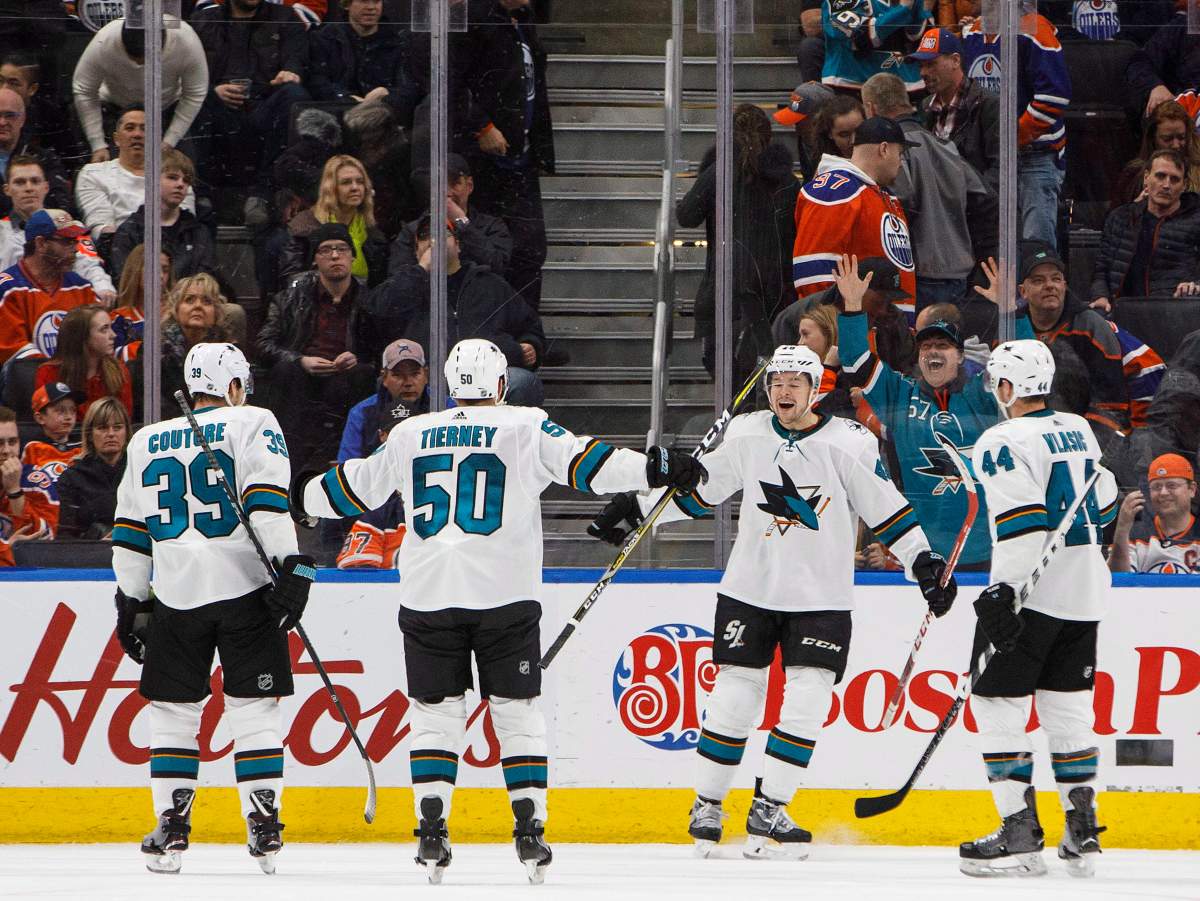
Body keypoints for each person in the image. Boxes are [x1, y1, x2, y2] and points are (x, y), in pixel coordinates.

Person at [291, 337, 705, 884]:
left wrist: (302, 494)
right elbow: (590, 465)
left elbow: (356, 488)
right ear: (502, 385)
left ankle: (431, 826)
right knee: (517, 713)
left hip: (427, 595)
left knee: (436, 714)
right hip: (504, 597)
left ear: (447, 385)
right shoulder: (526, 424)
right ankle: (529, 827)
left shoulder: (412, 431)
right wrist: (654, 468)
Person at [588, 343, 956, 859]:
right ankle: (708, 805)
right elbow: (699, 492)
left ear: (816, 389)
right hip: (750, 589)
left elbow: (887, 509)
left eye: (795, 383)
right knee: (736, 695)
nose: (784, 391)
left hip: (821, 596)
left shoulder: (849, 443)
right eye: (777, 382)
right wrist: (637, 508)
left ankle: (770, 807)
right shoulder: (747, 434)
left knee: (807, 700)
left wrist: (923, 562)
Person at [112, 342, 314, 875]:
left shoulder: (145, 439)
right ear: (232, 386)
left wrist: (133, 600)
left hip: (176, 596)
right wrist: (293, 566)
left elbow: (130, 536)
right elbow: (267, 504)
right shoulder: (253, 420)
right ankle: (264, 823)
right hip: (246, 591)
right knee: (254, 711)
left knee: (173, 716)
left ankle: (171, 827)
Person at [960, 339, 1117, 878]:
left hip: (1033, 596)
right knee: (1068, 709)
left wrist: (1004, 591)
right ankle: (1081, 829)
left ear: (1007, 388)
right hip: (1086, 589)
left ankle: (1019, 834)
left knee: (998, 707)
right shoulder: (1080, 429)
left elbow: (1024, 522)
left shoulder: (1000, 438)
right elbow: (1109, 499)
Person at [836, 254, 997, 570]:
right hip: (922, 551)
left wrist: (1011, 313)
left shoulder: (981, 394)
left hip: (985, 552)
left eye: (943, 345)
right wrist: (853, 309)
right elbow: (855, 362)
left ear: (961, 356)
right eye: (926, 346)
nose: (933, 351)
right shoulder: (900, 393)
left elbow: (1022, 367)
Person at [677, 103, 800, 384]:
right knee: (765, 367)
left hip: (724, 286)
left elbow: (686, 215)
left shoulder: (720, 172)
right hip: (771, 290)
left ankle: (734, 420)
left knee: (720, 364)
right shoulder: (785, 180)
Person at [368, 215, 546, 407]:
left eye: (443, 234)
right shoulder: (405, 285)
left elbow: (530, 325)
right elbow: (379, 309)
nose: (434, 241)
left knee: (523, 382)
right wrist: (421, 269)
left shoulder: (490, 284)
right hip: (427, 381)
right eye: (426, 236)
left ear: (459, 245)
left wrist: (531, 344)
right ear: (416, 249)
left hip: (484, 381)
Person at [861, 71, 995, 311]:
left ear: (870, 109)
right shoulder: (948, 147)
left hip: (919, 274)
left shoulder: (892, 151)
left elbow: (899, 204)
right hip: (958, 273)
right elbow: (986, 200)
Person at [258, 223, 379, 473]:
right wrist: (299, 360)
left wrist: (357, 358)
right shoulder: (290, 298)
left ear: (353, 256)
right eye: (326, 250)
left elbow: (381, 350)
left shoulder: (370, 299)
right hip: (301, 378)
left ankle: (351, 469)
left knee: (362, 375)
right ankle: (285, 470)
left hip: (348, 379)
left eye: (342, 249)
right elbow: (263, 344)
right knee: (286, 372)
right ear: (315, 259)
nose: (335, 256)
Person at [458, 0, 553, 311]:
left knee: (530, 250)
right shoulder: (474, 19)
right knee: (483, 251)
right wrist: (481, 125)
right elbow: (451, 81)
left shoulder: (524, 23)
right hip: (482, 163)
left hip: (521, 161)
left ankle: (527, 338)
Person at [961, 1, 1072, 246]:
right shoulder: (972, 33)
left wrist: (1012, 137)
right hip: (991, 159)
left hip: (1036, 156)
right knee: (992, 241)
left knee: (1036, 244)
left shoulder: (1036, 31)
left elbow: (1054, 97)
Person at [191, 0, 312, 224]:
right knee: (196, 97)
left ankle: (262, 195)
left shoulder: (285, 18)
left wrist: (291, 72)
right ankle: (201, 197)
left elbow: (296, 59)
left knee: (294, 96)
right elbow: (187, 71)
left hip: (264, 106)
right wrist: (212, 90)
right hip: (218, 110)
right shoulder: (204, 21)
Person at [792, 117, 919, 320]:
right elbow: (814, 274)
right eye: (900, 153)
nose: (901, 163)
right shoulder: (836, 189)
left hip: (884, 331)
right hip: (854, 334)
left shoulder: (879, 195)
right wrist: (832, 330)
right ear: (884, 149)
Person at [1010, 244, 1130, 438]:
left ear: (1064, 286)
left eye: (1056, 279)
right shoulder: (1012, 325)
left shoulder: (1092, 325)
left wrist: (1082, 437)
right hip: (1028, 426)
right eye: (1038, 280)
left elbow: (1111, 402)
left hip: (1086, 427)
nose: (1049, 285)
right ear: (1023, 291)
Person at [71, 15, 208, 162]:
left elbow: (195, 93)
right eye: (133, 58)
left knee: (182, 167)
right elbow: (83, 89)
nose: (139, 65)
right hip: (116, 107)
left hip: (167, 108)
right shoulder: (104, 40)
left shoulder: (186, 39)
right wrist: (97, 144)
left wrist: (170, 141)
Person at [1091, 150, 1200, 307]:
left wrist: (1196, 286)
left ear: (1184, 185)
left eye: (1174, 179)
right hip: (1122, 309)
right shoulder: (1121, 217)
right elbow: (1102, 268)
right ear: (1146, 178)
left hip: (1175, 310)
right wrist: (1100, 296)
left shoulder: (1196, 220)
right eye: (1160, 176)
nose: (1166, 185)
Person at [75, 107, 197, 246]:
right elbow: (101, 226)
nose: (137, 134)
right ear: (116, 138)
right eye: (130, 128)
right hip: (116, 249)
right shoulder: (94, 173)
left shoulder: (176, 177)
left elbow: (186, 222)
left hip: (171, 248)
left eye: (144, 129)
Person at [1, 159, 116, 303]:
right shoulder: (1, 231)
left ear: (46, 187)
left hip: (64, 304)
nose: (29, 188)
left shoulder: (69, 226)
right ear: (7, 189)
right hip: (10, 304)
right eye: (20, 182)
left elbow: (88, 264)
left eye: (35, 181)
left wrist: (103, 288)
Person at [388, 153, 512, 278]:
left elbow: (498, 267)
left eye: (455, 183)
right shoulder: (412, 231)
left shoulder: (491, 226)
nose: (447, 192)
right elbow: (398, 281)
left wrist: (462, 222)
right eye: (439, 185)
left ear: (469, 186)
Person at [0, 209, 98, 366]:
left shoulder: (82, 287)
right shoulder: (7, 288)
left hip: (76, 379)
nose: (75, 249)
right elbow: (12, 351)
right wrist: (57, 375)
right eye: (67, 241)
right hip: (27, 384)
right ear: (41, 243)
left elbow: (99, 339)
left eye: (75, 241)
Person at [912, 26, 1000, 194]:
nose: (923, 72)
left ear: (955, 61)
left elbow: (1001, 170)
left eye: (931, 64)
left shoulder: (989, 105)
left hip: (978, 212)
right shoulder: (926, 107)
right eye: (921, 66)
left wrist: (973, 202)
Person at [280, 155, 389, 288]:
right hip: (316, 303)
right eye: (346, 182)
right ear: (330, 188)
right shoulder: (304, 226)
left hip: (363, 304)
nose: (355, 187)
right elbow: (292, 279)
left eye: (360, 181)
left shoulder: (373, 232)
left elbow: (381, 283)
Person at [109, 149, 217, 283]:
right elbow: (126, 281)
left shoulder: (198, 232)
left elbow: (205, 280)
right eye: (172, 177)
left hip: (189, 302)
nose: (180, 185)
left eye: (186, 180)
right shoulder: (130, 230)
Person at [334, 397, 411, 570]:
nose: (403, 444)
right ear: (382, 436)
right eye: (397, 435)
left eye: (410, 436)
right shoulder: (378, 510)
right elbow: (359, 576)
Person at [338, 337, 430, 462]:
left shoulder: (448, 407)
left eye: (414, 374)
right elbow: (346, 467)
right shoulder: (361, 413)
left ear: (426, 375)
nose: (408, 383)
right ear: (384, 378)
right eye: (398, 375)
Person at [35, 304, 133, 418]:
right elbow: (49, 421)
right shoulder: (48, 373)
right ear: (82, 337)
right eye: (104, 329)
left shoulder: (119, 371)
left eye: (110, 327)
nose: (113, 335)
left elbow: (124, 420)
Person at [1109, 453, 1200, 573]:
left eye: (1171, 485)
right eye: (1156, 487)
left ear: (1192, 489)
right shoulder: (1134, 534)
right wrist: (1122, 528)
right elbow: (1117, 580)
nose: (1163, 493)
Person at [309, 0, 409, 109]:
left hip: (383, 113)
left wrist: (387, 93)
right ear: (347, 4)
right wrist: (347, 99)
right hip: (337, 110)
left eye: (376, 1)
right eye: (363, 1)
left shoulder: (397, 41)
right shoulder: (326, 38)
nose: (371, 7)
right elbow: (317, 81)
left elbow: (408, 87)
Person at [158, 273, 237, 410]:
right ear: (176, 309)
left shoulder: (229, 354)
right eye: (189, 300)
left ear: (216, 312)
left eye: (206, 301)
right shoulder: (158, 353)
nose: (198, 306)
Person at [55, 395, 130, 539]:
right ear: (90, 434)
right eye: (102, 428)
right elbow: (65, 538)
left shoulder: (140, 472)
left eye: (118, 427)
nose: (111, 434)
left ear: (126, 433)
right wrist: (96, 544)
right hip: (90, 557)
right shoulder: (71, 479)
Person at [820, 0, 931, 93]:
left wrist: (915, 8)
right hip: (853, 85)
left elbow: (919, 39)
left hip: (908, 86)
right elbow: (861, 37)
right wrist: (904, 9)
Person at [22, 381, 84, 536]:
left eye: (73, 410)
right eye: (60, 411)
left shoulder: (83, 449)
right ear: (40, 417)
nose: (69, 416)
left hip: (78, 522)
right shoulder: (32, 449)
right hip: (45, 523)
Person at [0, 86, 71, 220]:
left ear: (22, 119)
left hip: (40, 232)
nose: (2, 122)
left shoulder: (46, 160)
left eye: (10, 115)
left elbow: (59, 204)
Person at [1112, 100, 1200, 205]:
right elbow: (1114, 218)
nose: (1176, 145)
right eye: (1167, 139)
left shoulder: (1197, 168)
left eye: (1181, 138)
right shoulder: (1133, 175)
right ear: (1152, 138)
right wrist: (1134, 208)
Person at [0, 404, 50, 564]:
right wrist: (9, 549)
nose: (7, 450)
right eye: (0, 443)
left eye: (12, 442)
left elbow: (43, 545)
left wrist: (14, 490)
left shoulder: (37, 481)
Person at [111, 243, 174, 362]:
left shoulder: (179, 313)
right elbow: (112, 361)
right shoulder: (120, 318)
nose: (160, 276)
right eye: (153, 269)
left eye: (165, 270)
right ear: (136, 271)